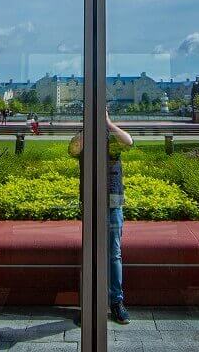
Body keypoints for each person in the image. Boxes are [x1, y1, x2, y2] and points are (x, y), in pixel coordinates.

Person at [69, 110, 134, 324]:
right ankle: (88, 304)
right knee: (89, 253)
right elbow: (72, 149)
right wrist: (88, 127)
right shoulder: (84, 138)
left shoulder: (112, 139)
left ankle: (116, 302)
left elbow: (129, 141)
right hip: (90, 201)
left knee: (113, 252)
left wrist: (107, 122)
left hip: (112, 200)